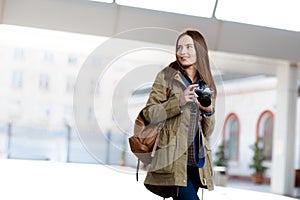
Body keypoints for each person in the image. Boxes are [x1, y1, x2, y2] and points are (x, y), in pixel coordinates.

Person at [141, 29, 217, 200]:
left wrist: (209, 112)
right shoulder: (166, 76)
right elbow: (149, 113)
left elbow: (208, 132)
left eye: (189, 47)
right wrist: (179, 102)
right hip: (173, 160)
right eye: (179, 47)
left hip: (197, 164)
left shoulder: (206, 83)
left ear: (200, 50)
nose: (182, 52)